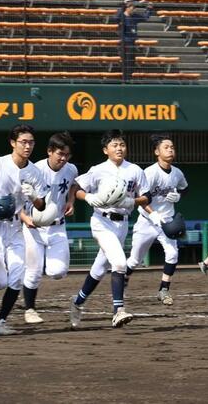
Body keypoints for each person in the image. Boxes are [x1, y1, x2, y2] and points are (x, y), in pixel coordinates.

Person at [69, 129, 150, 329]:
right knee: (120, 263)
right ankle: (118, 311)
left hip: (122, 223)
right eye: (114, 145)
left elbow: (147, 196)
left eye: (122, 144)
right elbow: (75, 186)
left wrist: (131, 201)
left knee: (99, 269)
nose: (119, 148)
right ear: (106, 150)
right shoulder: (98, 170)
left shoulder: (135, 170)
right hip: (101, 222)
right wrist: (88, 197)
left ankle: (77, 303)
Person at [0, 124, 46, 336]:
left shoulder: (34, 172)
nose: (28, 146)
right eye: (23, 142)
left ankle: (0, 322)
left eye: (31, 142)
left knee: (16, 278)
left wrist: (33, 196)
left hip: (15, 226)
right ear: (13, 143)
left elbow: (41, 206)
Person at [20, 132, 78, 324]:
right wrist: (23, 217)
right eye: (60, 154)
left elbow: (74, 184)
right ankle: (30, 310)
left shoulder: (71, 169)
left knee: (58, 272)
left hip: (57, 227)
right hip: (34, 227)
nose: (63, 158)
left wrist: (71, 200)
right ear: (49, 151)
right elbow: (17, 197)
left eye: (67, 155)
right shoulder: (33, 170)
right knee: (34, 272)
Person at [125, 134, 188, 305]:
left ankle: (164, 289)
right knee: (134, 260)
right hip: (147, 220)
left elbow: (185, 188)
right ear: (157, 152)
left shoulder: (177, 173)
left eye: (172, 147)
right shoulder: (150, 173)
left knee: (173, 254)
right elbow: (141, 197)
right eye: (166, 147)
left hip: (167, 221)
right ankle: (123, 280)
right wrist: (153, 214)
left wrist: (179, 196)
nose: (170, 149)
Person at [117, 0, 153, 81]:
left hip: (132, 42)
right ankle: (124, 79)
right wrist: (122, 7)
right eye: (132, 8)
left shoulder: (134, 16)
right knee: (124, 61)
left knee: (131, 62)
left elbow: (145, 17)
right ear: (127, 8)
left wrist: (149, 9)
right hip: (124, 43)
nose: (134, 10)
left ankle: (129, 79)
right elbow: (115, 18)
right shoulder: (121, 16)